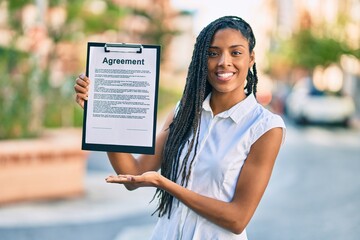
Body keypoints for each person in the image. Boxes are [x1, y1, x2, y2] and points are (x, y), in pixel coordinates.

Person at [74, 16, 286, 240]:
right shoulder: (184, 113)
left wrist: (165, 184)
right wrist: (102, 113)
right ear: (202, 59)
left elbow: (237, 219)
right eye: (213, 53)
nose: (224, 61)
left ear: (251, 58)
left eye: (236, 52)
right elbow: (133, 174)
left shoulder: (265, 128)